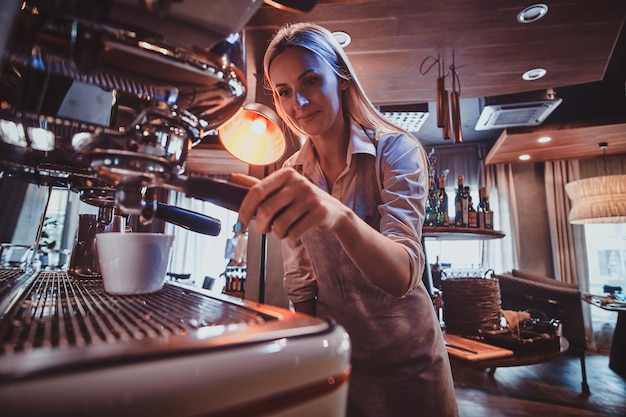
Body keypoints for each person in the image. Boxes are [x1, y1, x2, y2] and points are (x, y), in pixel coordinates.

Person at [236, 22, 458, 417]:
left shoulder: (396, 150)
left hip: (411, 365)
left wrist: (336, 214)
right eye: (284, 91)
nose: (298, 104)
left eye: (310, 81)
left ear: (340, 77)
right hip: (340, 362)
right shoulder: (294, 171)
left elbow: (403, 273)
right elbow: (302, 283)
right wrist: (305, 366)